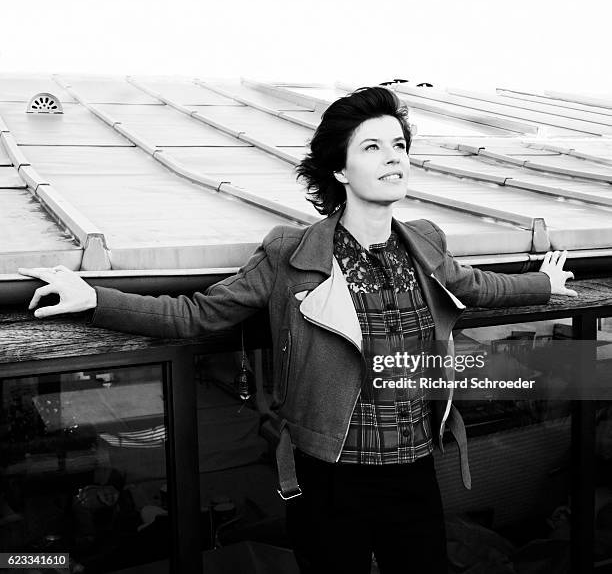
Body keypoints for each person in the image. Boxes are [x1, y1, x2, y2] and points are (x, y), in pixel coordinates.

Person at [20, 87, 577, 573]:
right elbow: (196, 315)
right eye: (373, 147)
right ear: (340, 169)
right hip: (328, 477)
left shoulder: (425, 240)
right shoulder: (292, 254)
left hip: (413, 469)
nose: (393, 159)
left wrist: (543, 287)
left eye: (399, 146)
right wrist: (96, 298)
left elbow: (475, 286)